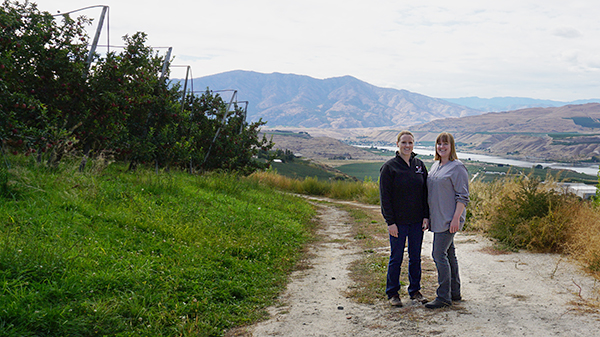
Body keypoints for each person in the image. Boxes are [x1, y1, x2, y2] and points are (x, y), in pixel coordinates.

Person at [379, 131, 430, 307]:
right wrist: (390, 222)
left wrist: (426, 216)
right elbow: (385, 197)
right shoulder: (389, 167)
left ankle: (415, 291)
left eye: (410, 142)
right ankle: (393, 293)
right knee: (396, 257)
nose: (407, 146)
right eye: (404, 142)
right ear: (397, 144)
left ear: (414, 144)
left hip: (416, 221)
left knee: (415, 256)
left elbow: (425, 193)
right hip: (398, 223)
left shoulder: (419, 165)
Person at [424, 132, 470, 309]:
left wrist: (456, 219)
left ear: (451, 147)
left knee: (438, 254)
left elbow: (463, 196)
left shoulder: (457, 167)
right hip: (438, 217)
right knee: (449, 254)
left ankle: (443, 297)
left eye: (445, 144)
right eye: (439, 144)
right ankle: (455, 292)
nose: (441, 147)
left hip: (450, 219)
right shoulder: (436, 166)